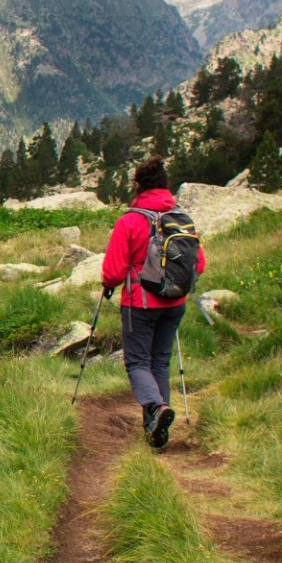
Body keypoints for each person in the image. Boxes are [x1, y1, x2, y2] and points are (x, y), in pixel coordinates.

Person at [101, 157, 205, 448]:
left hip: (140, 305)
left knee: (136, 361)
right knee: (160, 360)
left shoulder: (130, 221)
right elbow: (199, 264)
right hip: (175, 303)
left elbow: (113, 271)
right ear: (165, 183)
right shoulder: (182, 219)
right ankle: (156, 430)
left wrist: (109, 286)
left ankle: (157, 409)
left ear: (137, 186)